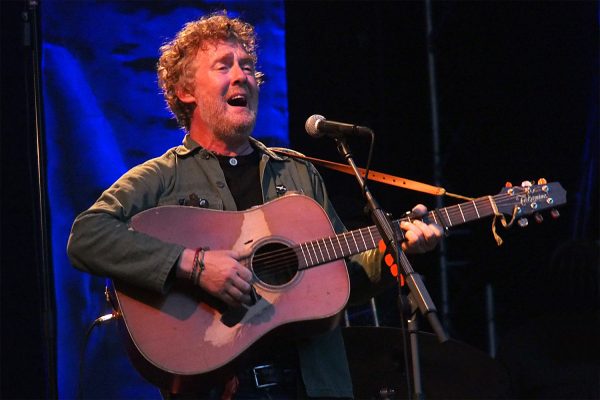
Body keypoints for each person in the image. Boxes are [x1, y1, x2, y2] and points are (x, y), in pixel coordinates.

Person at [67, 12, 443, 399]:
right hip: (220, 386)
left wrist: (393, 250)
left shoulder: (297, 173)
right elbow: (87, 236)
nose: (241, 75)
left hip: (312, 384)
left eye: (247, 66)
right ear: (185, 91)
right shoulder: (163, 177)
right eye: (223, 66)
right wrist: (194, 265)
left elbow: (341, 280)